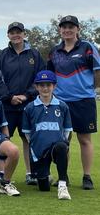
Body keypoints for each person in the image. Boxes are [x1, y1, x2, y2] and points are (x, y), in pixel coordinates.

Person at [47, 15, 100, 190]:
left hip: (84, 101)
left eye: (71, 27)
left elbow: (97, 72)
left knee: (84, 139)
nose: (67, 30)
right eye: (64, 27)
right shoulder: (54, 51)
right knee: (62, 141)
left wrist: (89, 89)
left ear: (78, 29)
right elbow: (50, 77)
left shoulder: (87, 47)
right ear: (60, 30)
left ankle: (87, 176)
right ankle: (64, 177)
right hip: (61, 102)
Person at [0, 22, 45, 185]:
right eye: (12, 32)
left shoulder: (34, 55)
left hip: (29, 106)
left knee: (28, 139)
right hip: (7, 105)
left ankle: (31, 173)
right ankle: (2, 173)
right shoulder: (2, 56)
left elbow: (40, 78)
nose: (16, 35)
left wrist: (27, 95)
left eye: (19, 32)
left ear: (24, 33)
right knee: (3, 139)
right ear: (8, 35)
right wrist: (9, 97)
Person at [22, 70, 73, 200]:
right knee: (44, 187)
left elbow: (67, 131)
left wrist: (63, 145)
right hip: (39, 151)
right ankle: (46, 174)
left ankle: (62, 185)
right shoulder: (29, 108)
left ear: (54, 86)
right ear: (36, 87)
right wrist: (36, 146)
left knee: (61, 147)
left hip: (56, 146)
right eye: (42, 85)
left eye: (48, 85)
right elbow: (27, 134)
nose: (45, 88)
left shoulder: (62, 106)